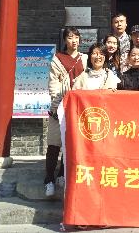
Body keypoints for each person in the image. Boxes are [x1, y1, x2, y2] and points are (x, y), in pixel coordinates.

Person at [45, 27, 87, 197]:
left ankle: (62, 174)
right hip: (59, 106)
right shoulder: (57, 59)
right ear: (64, 40)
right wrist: (56, 105)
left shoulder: (85, 58)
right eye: (70, 37)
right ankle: (49, 179)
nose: (74, 40)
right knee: (54, 143)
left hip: (78, 107)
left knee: (69, 143)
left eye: (76, 37)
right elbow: (53, 84)